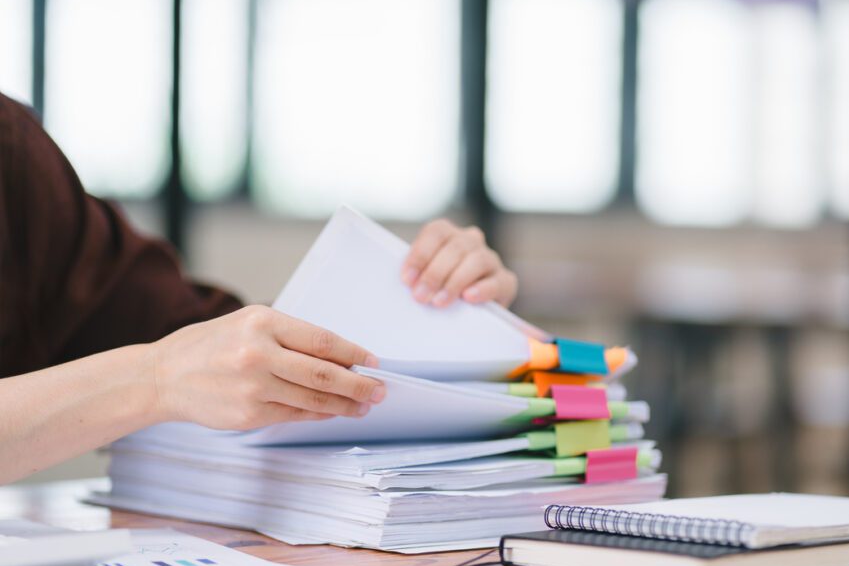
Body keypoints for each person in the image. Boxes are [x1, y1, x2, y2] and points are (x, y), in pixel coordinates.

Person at [0, 92, 518, 483]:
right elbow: (171, 364)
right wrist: (153, 380)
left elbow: (204, 348)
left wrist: (434, 307)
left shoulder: (11, 154)